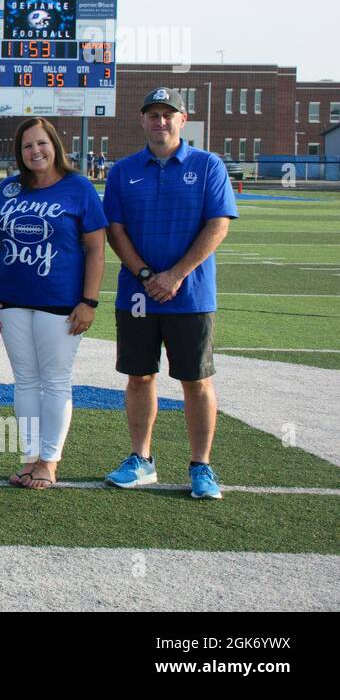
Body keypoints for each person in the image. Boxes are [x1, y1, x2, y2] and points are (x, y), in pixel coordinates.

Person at [102, 87, 238, 500]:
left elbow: (218, 224)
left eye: (168, 115)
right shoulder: (124, 171)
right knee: (140, 376)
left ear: (182, 119)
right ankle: (141, 459)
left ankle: (201, 465)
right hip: (139, 294)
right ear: (142, 120)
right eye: (153, 115)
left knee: (196, 380)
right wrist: (146, 274)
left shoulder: (208, 164)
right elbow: (115, 230)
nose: (160, 122)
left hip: (191, 293)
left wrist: (175, 275)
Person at [0, 117, 106, 489]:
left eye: (41, 143)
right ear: (19, 153)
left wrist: (89, 301)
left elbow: (96, 249)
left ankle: (49, 461)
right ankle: (30, 457)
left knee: (56, 381)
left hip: (60, 302)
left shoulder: (79, 187)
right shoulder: (10, 189)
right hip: (11, 300)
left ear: (55, 145)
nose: (35, 151)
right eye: (27, 146)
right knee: (25, 381)